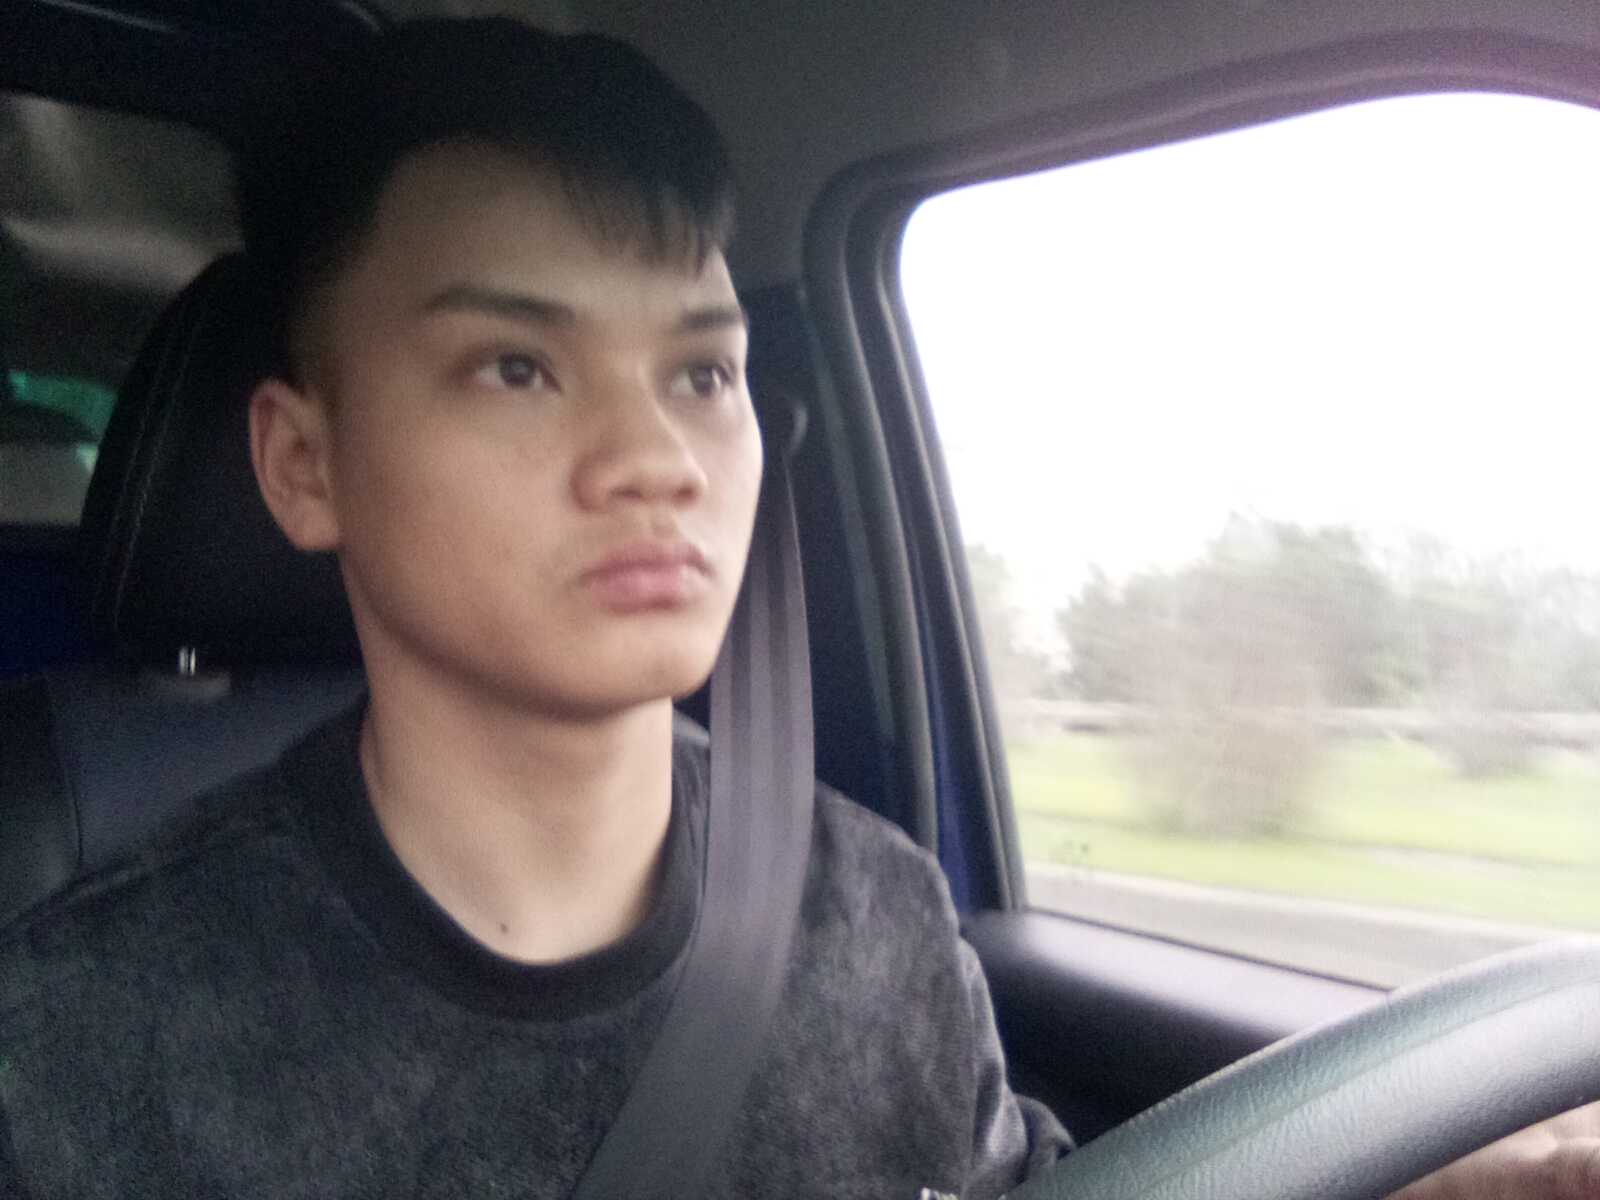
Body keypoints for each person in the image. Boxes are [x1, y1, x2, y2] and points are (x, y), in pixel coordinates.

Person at [0, 17, 1595, 1200]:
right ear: (304, 464)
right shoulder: (86, 1034)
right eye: (518, 366)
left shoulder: (877, 916)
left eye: (703, 373)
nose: (655, 457)